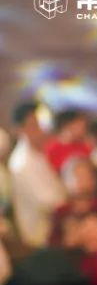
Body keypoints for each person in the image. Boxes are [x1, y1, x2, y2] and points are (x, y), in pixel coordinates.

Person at [8, 101, 66, 250]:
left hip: (54, 231)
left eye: (42, 124)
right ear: (20, 129)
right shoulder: (22, 163)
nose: (41, 130)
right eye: (34, 125)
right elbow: (49, 202)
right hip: (40, 240)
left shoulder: (38, 155)